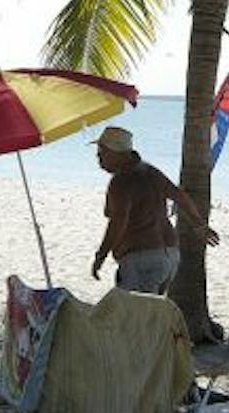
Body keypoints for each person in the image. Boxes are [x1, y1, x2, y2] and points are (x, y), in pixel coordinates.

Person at [91, 126, 216, 295]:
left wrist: (101, 256)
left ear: (117, 153)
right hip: (170, 255)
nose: (98, 157)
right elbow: (180, 196)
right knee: (149, 313)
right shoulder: (150, 172)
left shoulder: (121, 182)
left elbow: (118, 222)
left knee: (134, 316)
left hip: (142, 258)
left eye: (102, 152)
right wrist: (199, 225)